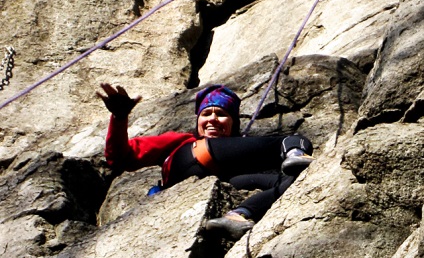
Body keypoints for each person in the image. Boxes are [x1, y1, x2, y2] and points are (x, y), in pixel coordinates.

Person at [97, 83, 314, 240]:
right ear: (198, 121)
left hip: (219, 178)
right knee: (291, 140)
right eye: (206, 114)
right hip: (194, 155)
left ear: (233, 123)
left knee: (291, 182)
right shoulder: (181, 140)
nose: (212, 119)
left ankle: (239, 215)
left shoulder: (238, 151)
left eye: (220, 114)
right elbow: (119, 158)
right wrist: (119, 118)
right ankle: (295, 149)